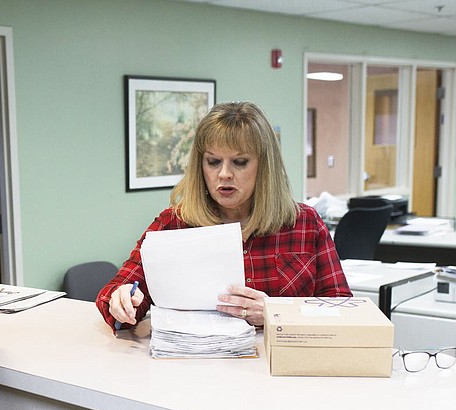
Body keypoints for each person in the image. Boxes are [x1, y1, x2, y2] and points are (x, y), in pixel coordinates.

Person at [97, 101, 351, 330]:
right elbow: (117, 292)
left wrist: (278, 313)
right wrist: (121, 300)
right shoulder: (174, 224)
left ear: (264, 166)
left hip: (279, 369)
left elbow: (344, 311)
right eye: (213, 162)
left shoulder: (303, 223)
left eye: (239, 162)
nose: (224, 174)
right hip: (196, 369)